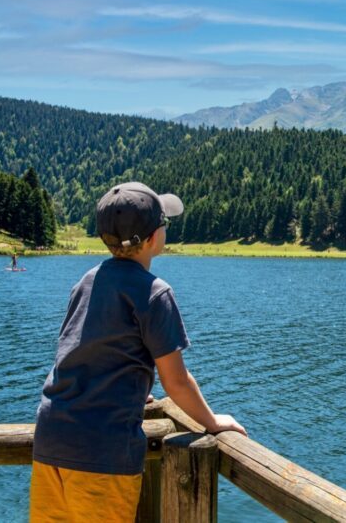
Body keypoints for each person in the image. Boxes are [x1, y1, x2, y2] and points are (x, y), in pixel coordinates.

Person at [30, 182, 247, 522]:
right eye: (164, 223)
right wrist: (212, 421)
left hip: (51, 437)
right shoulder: (154, 292)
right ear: (151, 239)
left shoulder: (87, 280)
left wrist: (129, 389)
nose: (165, 229)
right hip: (101, 449)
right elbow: (175, 381)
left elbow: (79, 352)